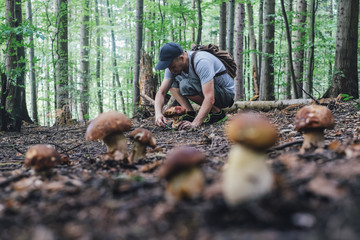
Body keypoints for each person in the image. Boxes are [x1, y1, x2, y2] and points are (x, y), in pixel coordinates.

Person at [154, 42, 235, 130]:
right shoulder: (172, 67)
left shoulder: (201, 61)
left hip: (225, 94)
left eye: (173, 67)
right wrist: (158, 114)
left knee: (186, 85)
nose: (171, 70)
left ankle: (217, 113)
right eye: (169, 67)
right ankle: (190, 113)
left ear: (181, 58)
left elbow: (210, 98)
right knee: (172, 83)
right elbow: (161, 92)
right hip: (210, 92)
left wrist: (195, 124)